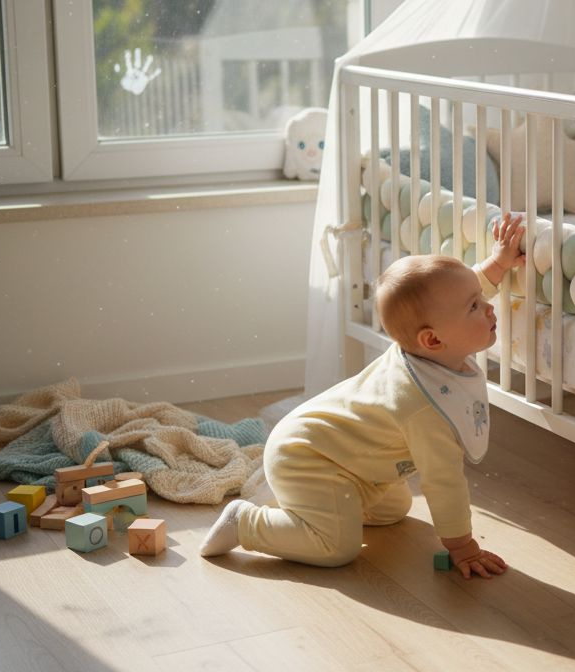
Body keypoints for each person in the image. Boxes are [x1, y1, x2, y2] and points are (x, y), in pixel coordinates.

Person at [199, 212, 527, 579]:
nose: (488, 307)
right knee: (338, 548)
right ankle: (247, 522)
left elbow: (459, 293)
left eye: (479, 299)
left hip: (350, 464)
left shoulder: (420, 354)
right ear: (433, 340)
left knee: (394, 509)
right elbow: (443, 480)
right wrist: (463, 547)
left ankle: (317, 509)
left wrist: (499, 263)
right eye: (474, 307)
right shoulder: (424, 406)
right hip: (307, 458)